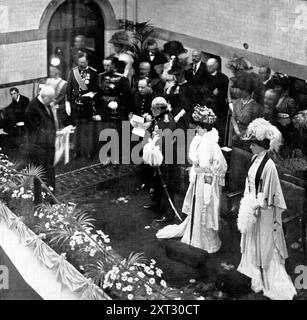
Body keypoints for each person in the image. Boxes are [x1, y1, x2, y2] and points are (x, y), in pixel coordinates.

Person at [237, 118, 296, 300]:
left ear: (263, 145)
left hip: (264, 212)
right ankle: (254, 275)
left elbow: (272, 195)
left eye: (254, 144)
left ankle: (268, 280)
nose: (251, 147)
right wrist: (249, 202)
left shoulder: (269, 166)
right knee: (252, 243)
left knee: (265, 245)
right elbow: (250, 182)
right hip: (253, 208)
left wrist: (258, 204)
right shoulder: (256, 158)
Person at [156, 105, 227, 253]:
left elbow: (220, 165)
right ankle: (194, 234)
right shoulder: (199, 139)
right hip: (198, 180)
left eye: (198, 127)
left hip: (207, 181)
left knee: (204, 208)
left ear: (204, 128)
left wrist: (206, 173)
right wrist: (196, 169)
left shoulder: (212, 144)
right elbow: (195, 159)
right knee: (197, 206)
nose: (196, 129)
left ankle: (205, 240)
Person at [143, 97, 179, 224]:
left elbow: (164, 141)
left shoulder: (166, 121)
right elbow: (152, 129)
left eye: (153, 109)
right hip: (160, 154)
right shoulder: (160, 117)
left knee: (166, 185)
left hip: (166, 156)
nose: (151, 111)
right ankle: (156, 204)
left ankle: (168, 214)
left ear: (158, 109)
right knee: (157, 181)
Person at [25, 85, 57, 200]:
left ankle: (51, 198)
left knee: (49, 173)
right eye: (51, 98)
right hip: (38, 149)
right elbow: (37, 131)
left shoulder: (44, 104)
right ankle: (38, 201)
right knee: (39, 176)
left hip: (48, 147)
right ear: (46, 97)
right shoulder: (32, 108)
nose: (53, 101)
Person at [66, 52, 99, 158]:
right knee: (77, 129)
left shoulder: (93, 72)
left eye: (83, 62)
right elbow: (68, 88)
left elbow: (97, 90)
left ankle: (89, 151)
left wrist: (92, 94)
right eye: (79, 62)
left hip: (87, 105)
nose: (80, 64)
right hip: (76, 105)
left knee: (87, 129)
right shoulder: (73, 72)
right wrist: (67, 103)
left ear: (87, 62)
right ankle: (77, 151)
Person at [231, 72, 263, 149]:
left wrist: (245, 134)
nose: (239, 91)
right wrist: (237, 130)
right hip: (236, 136)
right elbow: (233, 117)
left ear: (248, 91)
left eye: (242, 89)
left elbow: (256, 124)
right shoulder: (237, 102)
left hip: (248, 140)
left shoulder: (255, 106)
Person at [166, 58, 195, 131]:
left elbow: (187, 106)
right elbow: (168, 99)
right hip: (171, 115)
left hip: (183, 118)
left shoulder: (189, 88)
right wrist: (169, 89)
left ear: (182, 74)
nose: (176, 77)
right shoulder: (174, 85)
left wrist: (178, 117)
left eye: (177, 75)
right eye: (175, 75)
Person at [206, 58, 229, 143]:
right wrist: (212, 93)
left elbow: (223, 94)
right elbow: (203, 89)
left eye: (210, 67)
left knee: (218, 132)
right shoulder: (205, 76)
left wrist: (213, 94)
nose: (208, 69)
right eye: (207, 67)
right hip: (207, 108)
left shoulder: (223, 78)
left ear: (215, 66)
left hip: (218, 109)